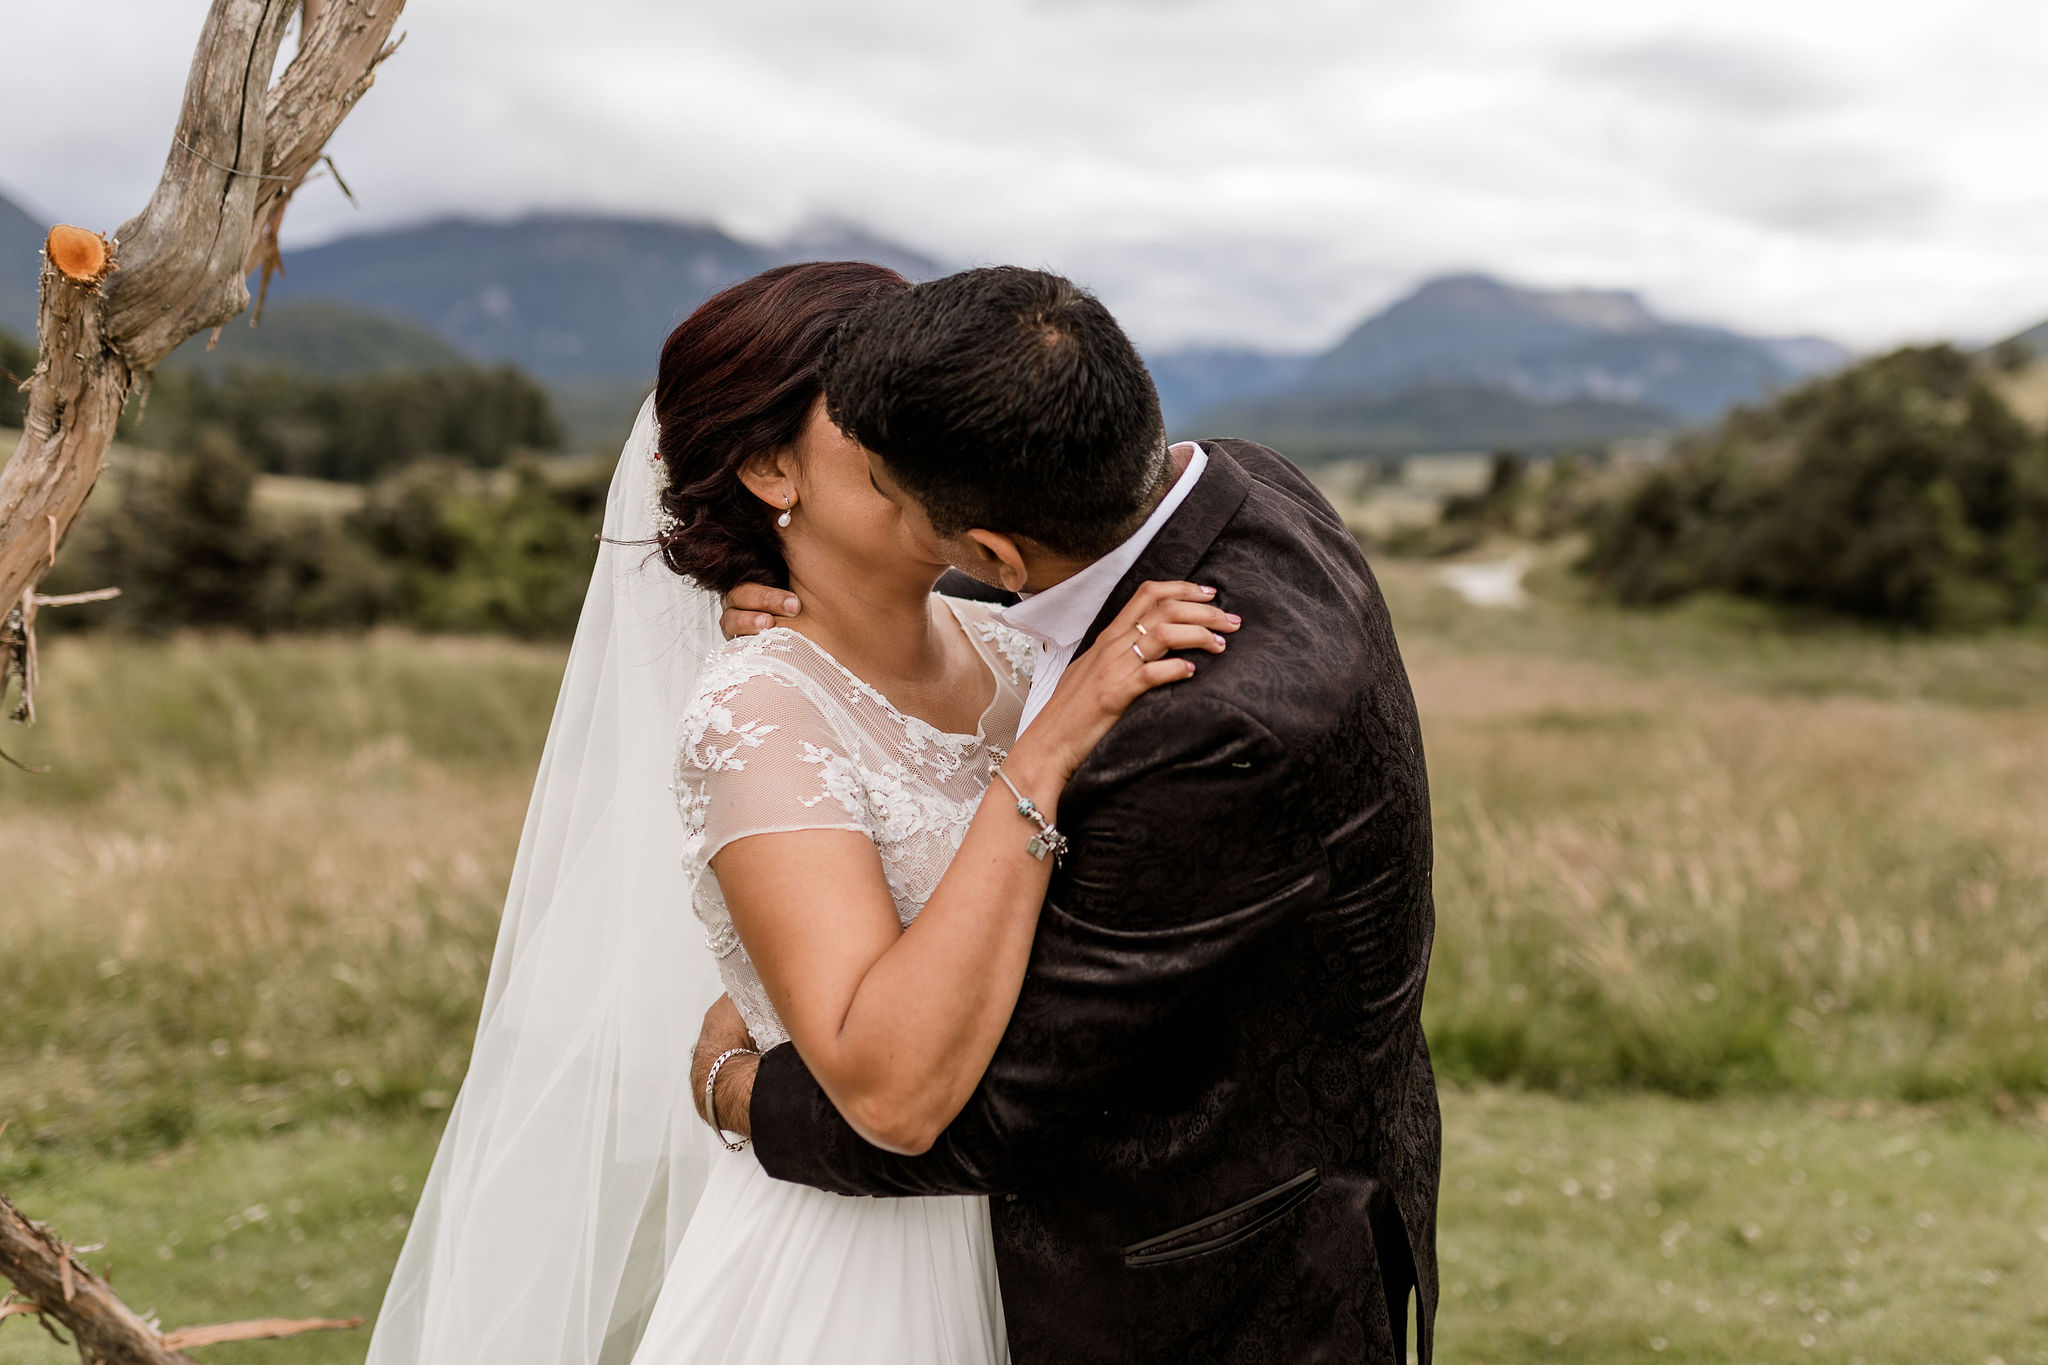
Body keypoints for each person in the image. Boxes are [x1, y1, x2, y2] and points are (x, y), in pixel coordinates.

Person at [364, 261, 1231, 1365]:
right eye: (878, 405)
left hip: (1063, 1255)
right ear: (774, 467)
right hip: (859, 1278)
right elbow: (886, 1089)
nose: (927, 418)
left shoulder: (1029, 649)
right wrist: (1050, 751)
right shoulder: (758, 710)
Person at [699, 265, 1441, 1365]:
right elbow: (1030, 599)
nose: (891, 520)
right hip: (1298, 1186)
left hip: (1214, 1287)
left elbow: (984, 1115)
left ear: (995, 551)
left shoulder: (1194, 735)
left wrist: (736, 1089)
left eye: (900, 502)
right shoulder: (1251, 487)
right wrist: (845, 649)